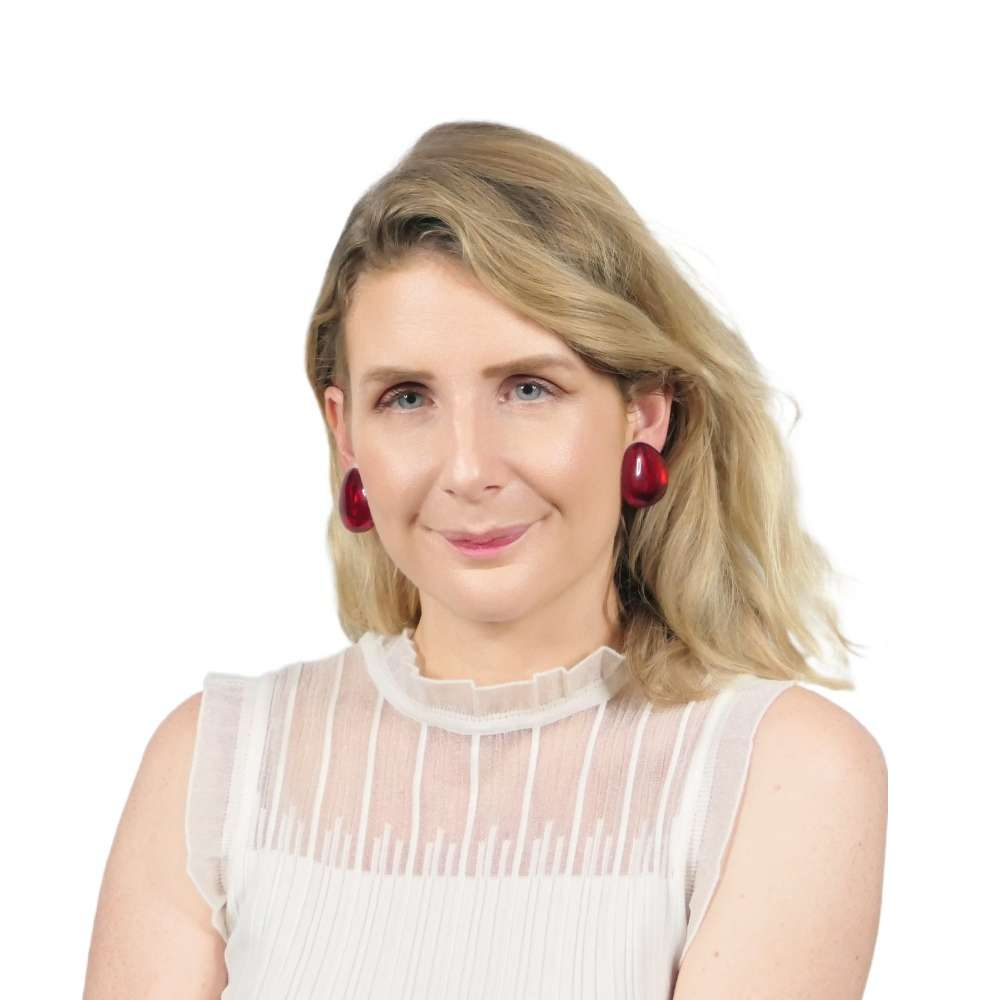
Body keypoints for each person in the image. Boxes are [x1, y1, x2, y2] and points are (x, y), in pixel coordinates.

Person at [84, 121, 888, 998]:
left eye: (529, 389)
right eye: (407, 398)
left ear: (646, 414)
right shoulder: (215, 766)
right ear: (345, 433)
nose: (468, 470)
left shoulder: (779, 770)